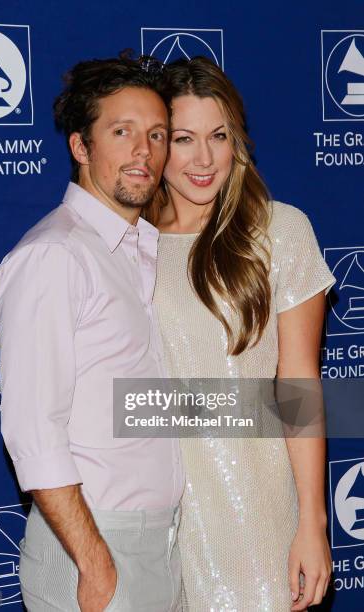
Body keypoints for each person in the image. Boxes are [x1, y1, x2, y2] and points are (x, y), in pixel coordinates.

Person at [0, 56, 184, 612]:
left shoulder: (136, 251)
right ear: (81, 147)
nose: (143, 151)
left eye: (156, 135)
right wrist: (95, 564)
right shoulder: (55, 256)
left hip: (163, 545)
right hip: (94, 550)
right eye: (121, 132)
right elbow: (32, 427)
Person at [149, 57, 335, 611]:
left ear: (238, 141)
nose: (203, 159)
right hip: (155, 518)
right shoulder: (127, 244)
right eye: (183, 139)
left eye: (219, 136)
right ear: (157, 145)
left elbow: (298, 385)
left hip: (256, 513)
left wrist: (312, 522)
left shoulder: (280, 230)